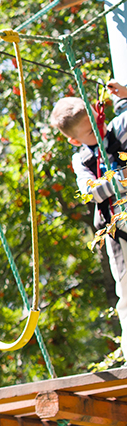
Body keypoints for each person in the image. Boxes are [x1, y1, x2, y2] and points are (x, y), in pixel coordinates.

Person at [49, 80, 127, 359]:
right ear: (74, 140)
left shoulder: (117, 130)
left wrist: (124, 96)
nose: (99, 130)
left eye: (97, 122)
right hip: (119, 230)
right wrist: (121, 179)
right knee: (126, 292)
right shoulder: (82, 160)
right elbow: (90, 193)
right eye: (89, 131)